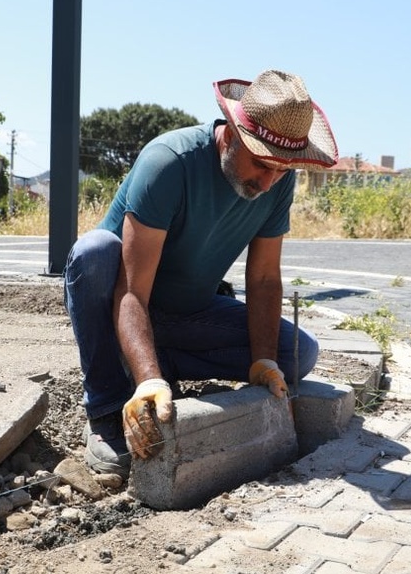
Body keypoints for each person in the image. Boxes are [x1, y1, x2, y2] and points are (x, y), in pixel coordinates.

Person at [63, 69, 338, 477]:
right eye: (261, 165)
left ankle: (157, 364)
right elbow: (132, 291)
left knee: (298, 353)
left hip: (189, 313)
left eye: (281, 170)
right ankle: (107, 409)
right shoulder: (170, 163)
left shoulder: (278, 180)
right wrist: (148, 382)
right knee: (95, 252)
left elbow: (263, 278)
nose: (268, 183)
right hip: (121, 306)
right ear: (231, 133)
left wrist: (262, 361)